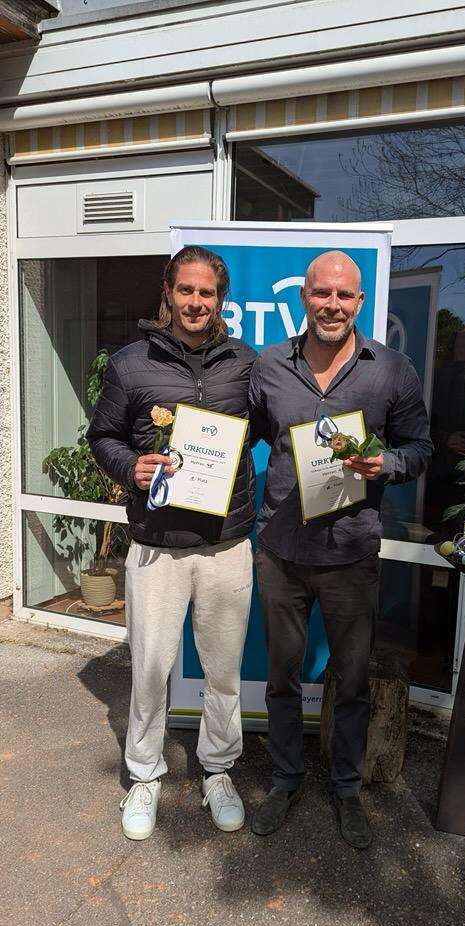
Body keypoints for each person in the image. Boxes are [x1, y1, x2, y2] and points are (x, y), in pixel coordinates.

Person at [249, 250, 433, 849]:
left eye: (343, 295)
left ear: (360, 301)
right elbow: (249, 435)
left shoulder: (392, 371)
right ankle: (285, 780)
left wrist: (388, 464)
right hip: (281, 551)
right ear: (304, 297)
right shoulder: (270, 365)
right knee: (282, 676)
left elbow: (421, 447)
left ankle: (347, 788)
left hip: (351, 555)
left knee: (351, 682)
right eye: (322, 293)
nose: (332, 305)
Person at [87, 246, 255, 840]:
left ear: (220, 298)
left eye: (207, 292)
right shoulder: (130, 363)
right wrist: (129, 466)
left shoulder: (245, 363)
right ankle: (144, 775)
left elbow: (261, 433)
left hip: (225, 545)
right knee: (151, 669)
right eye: (186, 290)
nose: (196, 302)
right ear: (168, 292)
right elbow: (102, 435)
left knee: (224, 672)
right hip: (156, 546)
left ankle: (218, 769)